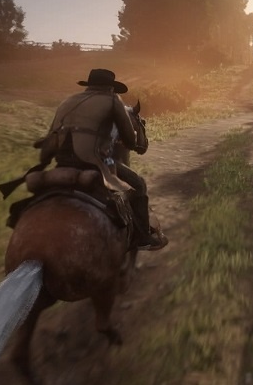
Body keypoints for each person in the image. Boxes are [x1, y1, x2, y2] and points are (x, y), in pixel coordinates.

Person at [38, 68, 166, 250]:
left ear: (89, 85)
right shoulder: (113, 101)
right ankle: (143, 237)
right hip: (98, 163)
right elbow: (130, 141)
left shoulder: (68, 102)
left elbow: (50, 141)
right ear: (110, 88)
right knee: (139, 185)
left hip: (63, 163)